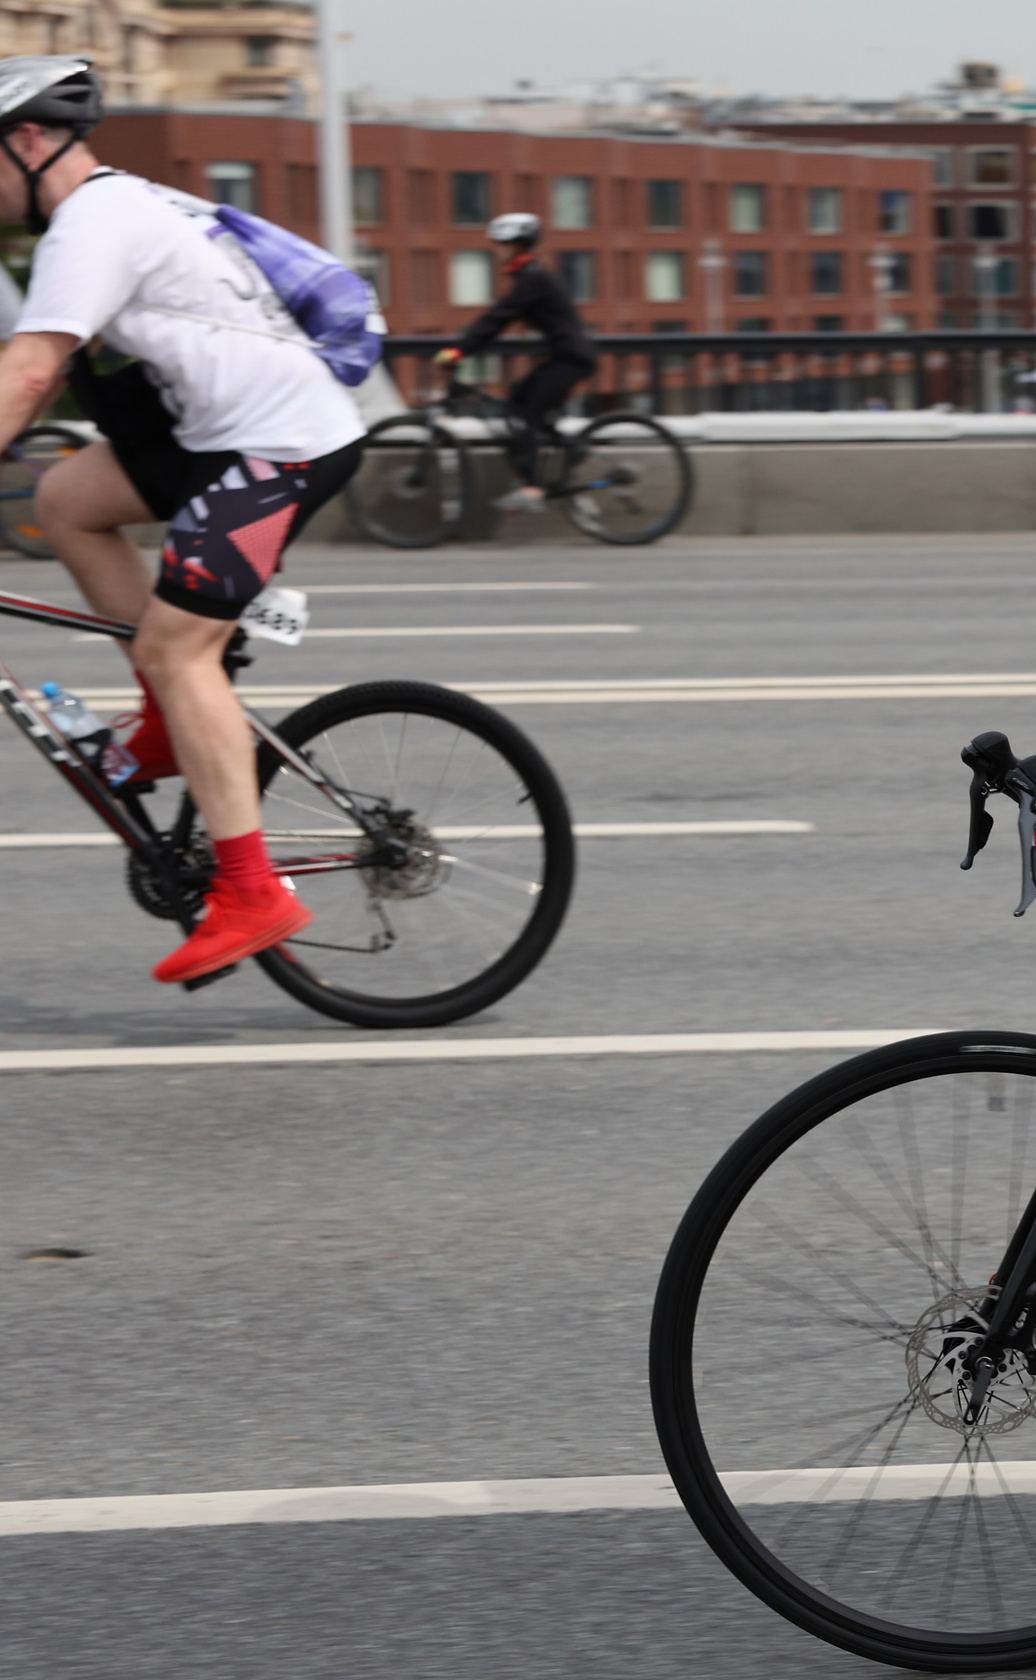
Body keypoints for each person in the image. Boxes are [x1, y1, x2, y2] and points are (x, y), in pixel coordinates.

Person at [0, 55, 365, 984]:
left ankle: (252, 891)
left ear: (29, 142)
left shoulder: (90, 225)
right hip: (219, 436)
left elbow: (30, 373)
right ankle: (168, 719)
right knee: (65, 501)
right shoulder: (119, 205)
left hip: (282, 446)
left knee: (178, 645)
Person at [434, 212, 595, 513]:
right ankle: (570, 447)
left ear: (517, 245)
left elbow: (498, 317)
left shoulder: (532, 278)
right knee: (518, 397)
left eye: (502, 244)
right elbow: (502, 316)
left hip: (571, 359)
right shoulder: (531, 276)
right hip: (567, 356)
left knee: (529, 414)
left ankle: (533, 488)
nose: (497, 250)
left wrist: (459, 350)